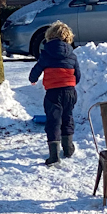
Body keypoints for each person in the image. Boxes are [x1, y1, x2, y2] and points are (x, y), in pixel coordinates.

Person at [28, 22, 81, 166]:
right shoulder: (72, 55)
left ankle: (54, 155)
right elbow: (78, 75)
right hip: (70, 92)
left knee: (53, 121)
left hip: (53, 93)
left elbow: (36, 70)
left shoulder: (46, 54)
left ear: (49, 36)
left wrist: (32, 79)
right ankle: (68, 148)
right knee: (67, 117)